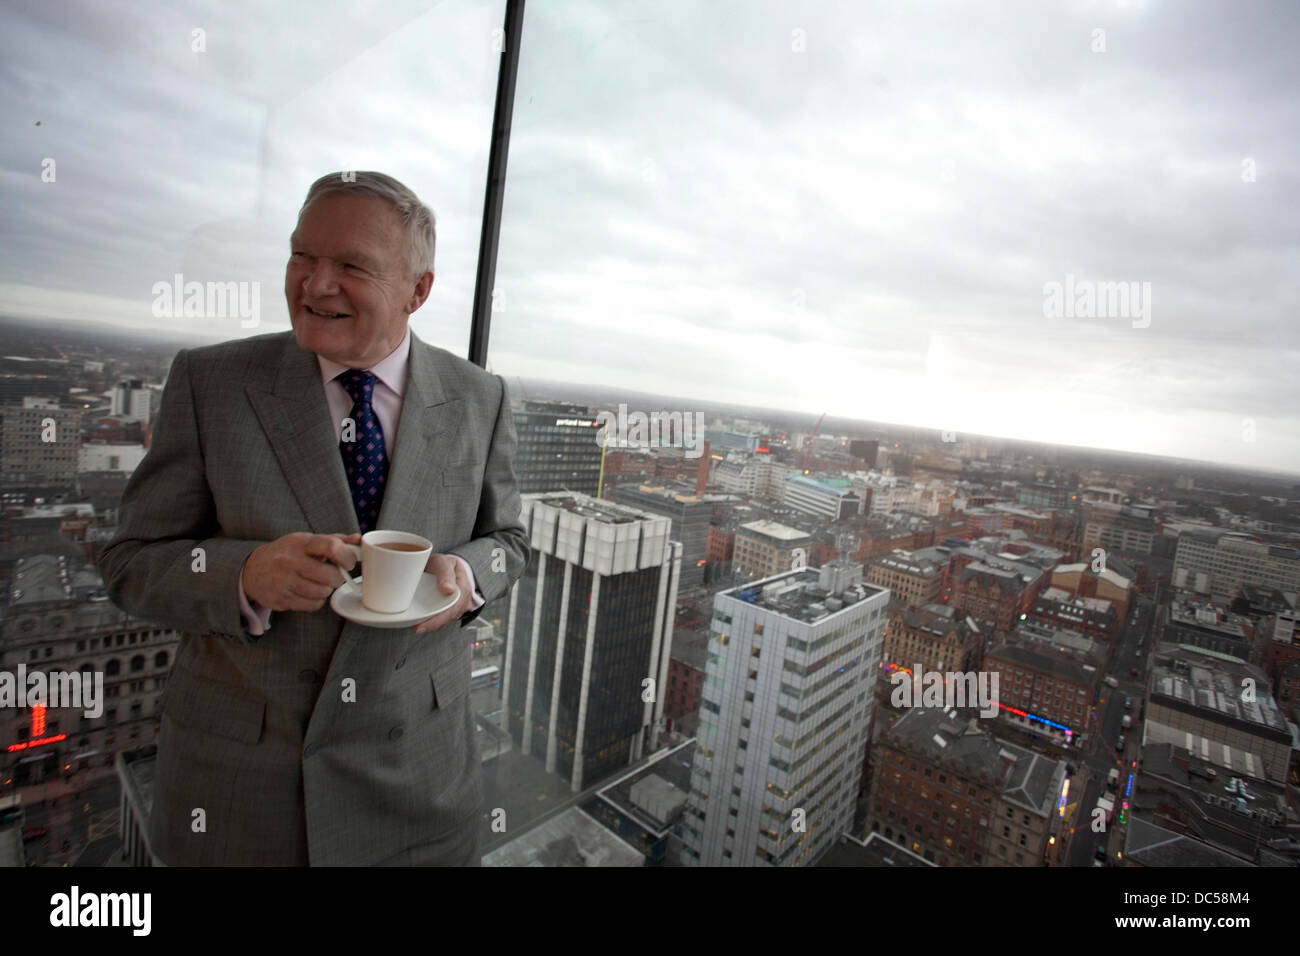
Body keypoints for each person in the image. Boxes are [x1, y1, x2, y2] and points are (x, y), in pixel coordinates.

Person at [98, 171, 530, 865]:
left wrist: (466, 579)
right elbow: (128, 561)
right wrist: (243, 575)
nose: (315, 284)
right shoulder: (212, 384)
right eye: (303, 257)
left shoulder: (480, 398)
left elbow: (509, 543)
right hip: (241, 799)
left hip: (418, 789)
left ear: (418, 290)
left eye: (351, 265)